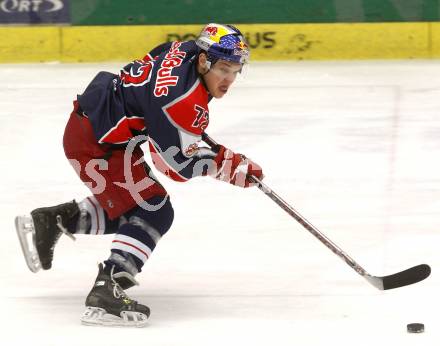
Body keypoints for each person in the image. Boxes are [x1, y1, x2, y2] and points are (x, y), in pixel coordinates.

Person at [15, 23, 264, 327]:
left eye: (236, 69)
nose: (229, 79)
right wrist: (227, 165)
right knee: (154, 211)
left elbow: (156, 62)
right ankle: (109, 286)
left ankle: (53, 220)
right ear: (203, 61)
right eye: (224, 68)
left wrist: (182, 128)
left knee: (137, 211)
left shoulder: (185, 49)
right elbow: (175, 167)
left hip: (101, 128)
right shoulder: (181, 102)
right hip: (95, 143)